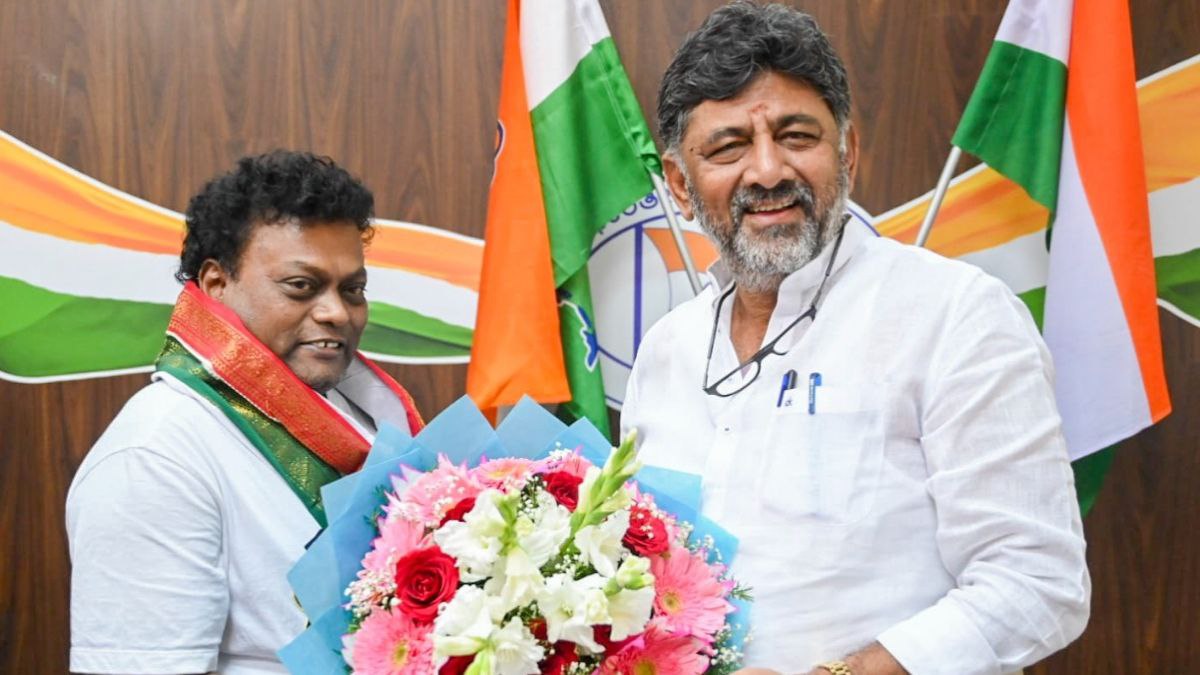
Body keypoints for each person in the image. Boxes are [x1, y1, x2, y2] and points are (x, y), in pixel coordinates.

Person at [620, 4, 1090, 675]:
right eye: (728, 148)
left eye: (797, 136)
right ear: (680, 185)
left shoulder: (958, 315)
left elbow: (1037, 581)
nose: (767, 171)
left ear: (848, 153)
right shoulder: (666, 350)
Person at [66, 151, 424, 674]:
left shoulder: (366, 415)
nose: (337, 312)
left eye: (353, 290)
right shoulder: (154, 455)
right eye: (301, 286)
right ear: (217, 283)